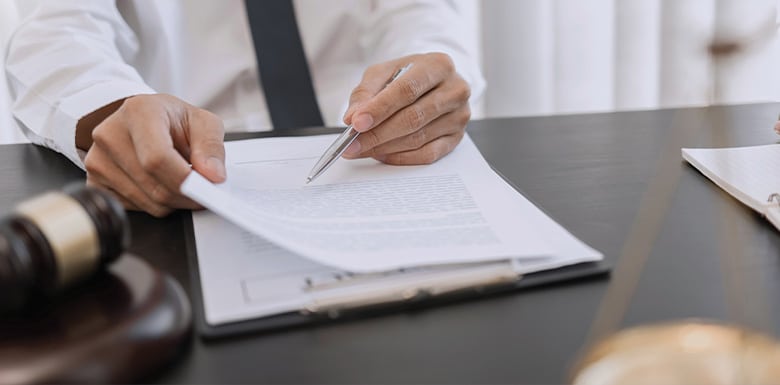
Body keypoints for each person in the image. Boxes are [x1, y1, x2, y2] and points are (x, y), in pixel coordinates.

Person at [5, 0, 484, 217]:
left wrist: (429, 78)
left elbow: (425, 13)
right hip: (183, 174)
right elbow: (54, 28)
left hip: (371, 160)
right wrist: (115, 106)